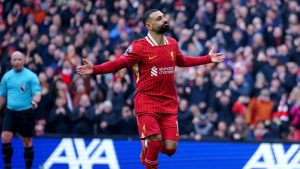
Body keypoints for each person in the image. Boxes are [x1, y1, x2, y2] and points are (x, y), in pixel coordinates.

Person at [77, 9, 224, 169]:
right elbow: (117, 63)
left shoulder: (172, 43)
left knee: (170, 149)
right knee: (154, 143)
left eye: (164, 16)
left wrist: (208, 59)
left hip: (168, 102)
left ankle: (146, 144)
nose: (165, 19)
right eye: (159, 18)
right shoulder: (139, 47)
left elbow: (181, 61)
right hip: (146, 101)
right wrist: (95, 69)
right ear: (149, 25)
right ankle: (148, 145)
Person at [0, 51, 41, 169]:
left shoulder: (31, 76)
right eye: (15, 60)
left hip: (26, 112)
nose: (17, 62)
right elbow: (2, 96)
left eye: (19, 59)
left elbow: (37, 93)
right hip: (11, 112)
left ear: (24, 61)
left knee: (27, 141)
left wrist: (35, 101)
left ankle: (28, 167)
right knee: (5, 137)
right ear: (11, 61)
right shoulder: (7, 77)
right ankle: (7, 166)